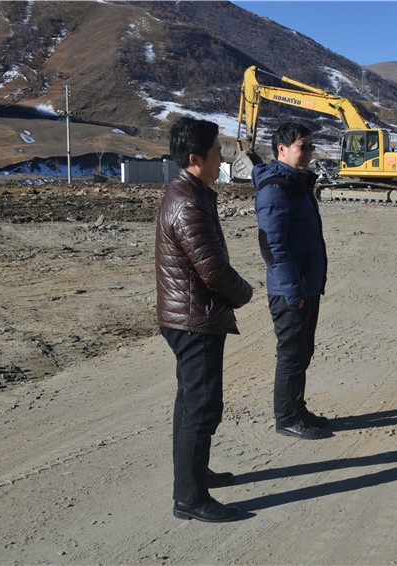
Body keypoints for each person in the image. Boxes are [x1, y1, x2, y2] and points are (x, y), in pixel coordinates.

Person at [155, 116, 254, 522]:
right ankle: (190, 497)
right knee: (201, 407)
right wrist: (245, 293)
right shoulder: (188, 203)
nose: (222, 159)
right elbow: (212, 270)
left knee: (190, 402)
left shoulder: (190, 193)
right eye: (216, 153)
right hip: (194, 319)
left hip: (187, 316)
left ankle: (193, 475)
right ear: (195, 159)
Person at [253, 122, 330, 440]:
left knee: (303, 352)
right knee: (291, 355)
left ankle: (298, 409)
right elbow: (272, 244)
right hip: (290, 289)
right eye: (303, 147)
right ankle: (286, 418)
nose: (309, 152)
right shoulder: (276, 188)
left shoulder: (297, 182)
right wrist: (292, 289)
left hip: (305, 284)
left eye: (311, 146)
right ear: (281, 149)